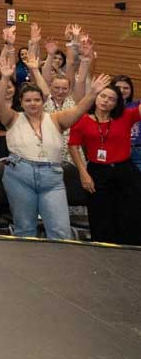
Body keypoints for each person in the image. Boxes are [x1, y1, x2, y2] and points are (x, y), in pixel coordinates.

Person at [0, 52, 107, 240]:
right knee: (25, 229)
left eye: (37, 100)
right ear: (21, 102)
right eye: (28, 100)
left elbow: (79, 110)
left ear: (43, 101)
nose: (33, 103)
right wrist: (5, 78)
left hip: (52, 177)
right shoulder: (13, 118)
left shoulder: (55, 119)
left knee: (60, 230)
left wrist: (93, 93)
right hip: (19, 175)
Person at [68, 82, 141, 244]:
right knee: (100, 218)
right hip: (96, 172)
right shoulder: (82, 120)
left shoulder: (126, 116)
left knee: (129, 216)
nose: (105, 101)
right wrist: (83, 173)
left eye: (111, 99)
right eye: (102, 96)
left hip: (125, 170)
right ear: (96, 97)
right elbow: (73, 145)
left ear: (116, 103)